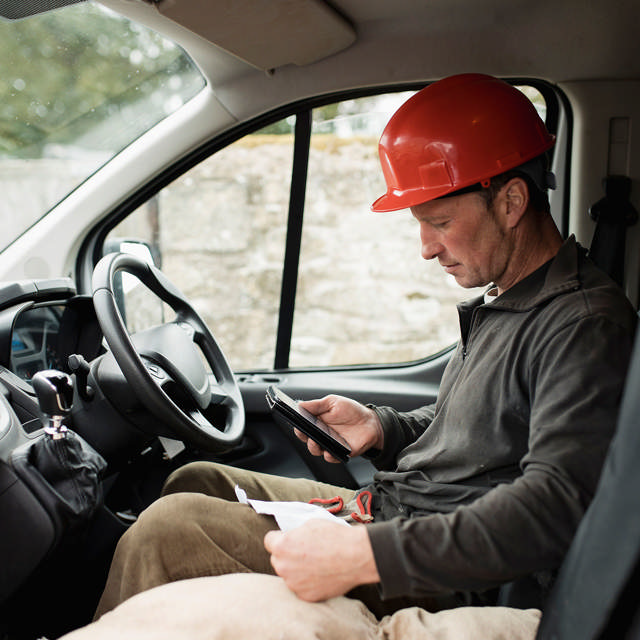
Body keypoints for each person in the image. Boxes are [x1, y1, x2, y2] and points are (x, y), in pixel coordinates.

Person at [93, 73, 637, 620]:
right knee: (193, 479)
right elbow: (479, 435)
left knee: (166, 531)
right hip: (391, 512)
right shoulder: (513, 296)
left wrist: (366, 554)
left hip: (438, 568)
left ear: (512, 200)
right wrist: (381, 427)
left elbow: (556, 507)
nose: (426, 248)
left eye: (440, 222)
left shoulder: (582, 326)